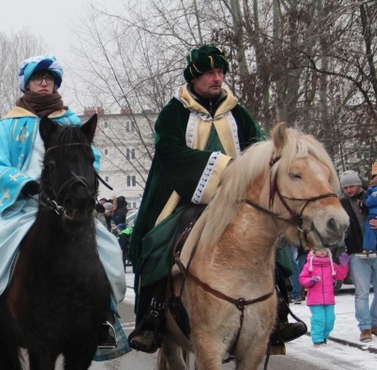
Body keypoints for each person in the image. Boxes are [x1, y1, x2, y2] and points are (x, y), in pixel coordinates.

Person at [128, 45, 307, 354]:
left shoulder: (237, 112)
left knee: (271, 241)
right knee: (157, 243)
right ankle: (152, 317)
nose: (217, 78)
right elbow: (169, 152)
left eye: (221, 72)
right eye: (210, 73)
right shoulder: (174, 112)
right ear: (194, 77)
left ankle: (279, 311)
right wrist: (224, 167)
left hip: (238, 198)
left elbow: (259, 146)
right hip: (186, 197)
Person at [0, 54, 126, 350]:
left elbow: (92, 158)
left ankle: (105, 317)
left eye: (50, 78)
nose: (45, 82)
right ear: (27, 84)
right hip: (23, 206)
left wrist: (81, 182)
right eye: (39, 78)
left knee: (109, 249)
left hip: (65, 206)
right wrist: (23, 183)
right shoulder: (9, 124)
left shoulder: (69, 120)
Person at [339, 169, 377, 343]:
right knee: (362, 293)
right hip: (357, 255)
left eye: (351, 186)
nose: (349, 190)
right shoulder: (342, 204)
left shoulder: (376, 195)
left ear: (359, 184)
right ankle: (365, 327)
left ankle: (375, 323)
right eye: (345, 188)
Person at [299, 248, 349, 346]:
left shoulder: (331, 265)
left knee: (330, 320)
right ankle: (317, 339)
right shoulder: (309, 265)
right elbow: (302, 278)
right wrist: (310, 281)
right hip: (315, 300)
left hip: (329, 299)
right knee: (319, 319)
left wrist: (344, 265)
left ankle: (324, 336)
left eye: (324, 250)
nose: (322, 252)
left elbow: (340, 276)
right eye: (319, 250)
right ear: (314, 251)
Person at [362, 158, 377, 265]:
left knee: (370, 230)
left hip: (376, 213)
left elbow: (374, 199)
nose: (376, 177)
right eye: (374, 175)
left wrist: (365, 203)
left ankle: (369, 249)